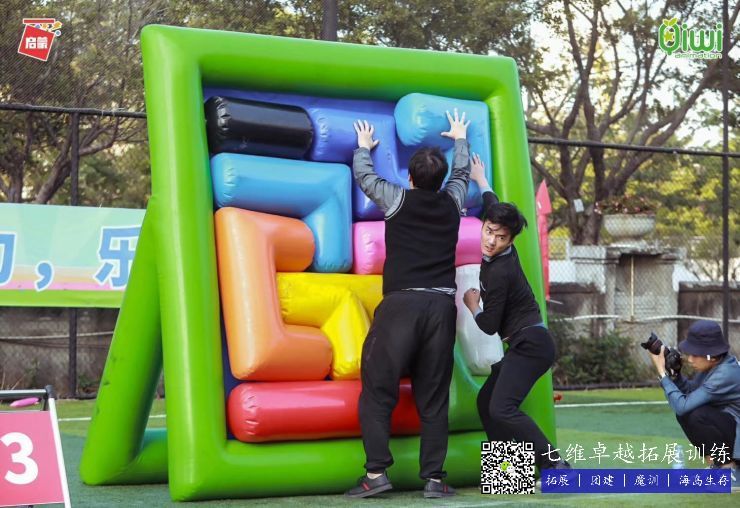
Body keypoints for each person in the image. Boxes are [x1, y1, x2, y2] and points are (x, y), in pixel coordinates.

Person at [345, 110, 471, 499]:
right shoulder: (452, 201)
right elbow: (462, 174)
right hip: (441, 309)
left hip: (402, 306)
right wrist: (461, 139)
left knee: (378, 389)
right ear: (440, 180)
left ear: (411, 178)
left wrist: (363, 148)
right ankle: (433, 478)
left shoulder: (397, 199)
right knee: (433, 398)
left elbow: (365, 178)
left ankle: (376, 473)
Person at [462, 162, 569, 472]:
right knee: (487, 403)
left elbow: (489, 326)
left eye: (500, 238)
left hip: (531, 345)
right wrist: (481, 178)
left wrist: (472, 304)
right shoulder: (497, 228)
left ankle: (555, 465)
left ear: (510, 241)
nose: (491, 240)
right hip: (524, 342)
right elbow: (491, 203)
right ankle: (509, 474)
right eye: (488, 231)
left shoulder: (500, 272)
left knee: (502, 408)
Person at [647, 320, 740, 489]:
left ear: (711, 356)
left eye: (695, 354)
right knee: (688, 414)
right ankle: (718, 466)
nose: (690, 359)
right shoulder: (715, 366)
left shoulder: (726, 373)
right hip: (733, 429)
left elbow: (682, 405)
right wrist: (675, 375)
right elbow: (691, 393)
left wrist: (662, 374)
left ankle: (730, 470)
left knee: (696, 414)